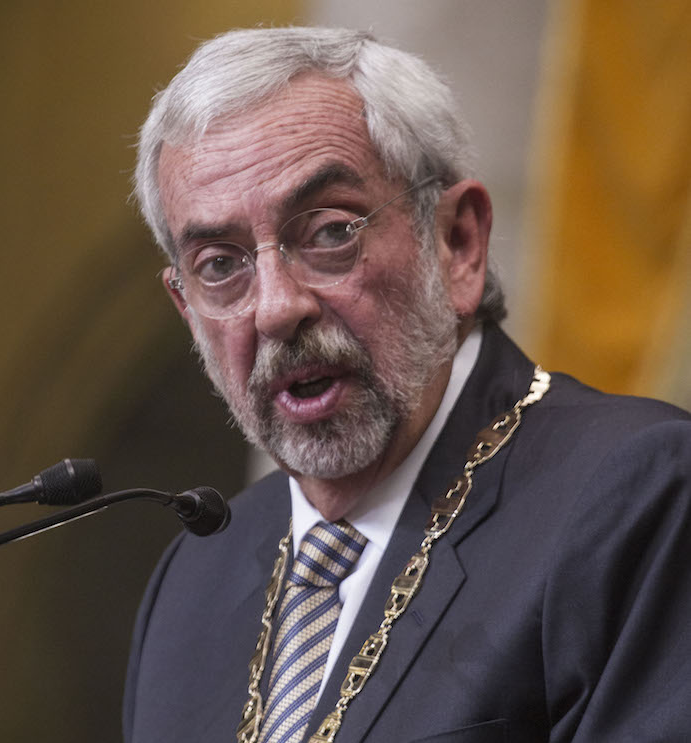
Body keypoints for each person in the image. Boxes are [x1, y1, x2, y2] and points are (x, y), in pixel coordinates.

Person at [123, 27, 691, 743]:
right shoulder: (193, 583)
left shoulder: (638, 494)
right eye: (219, 264)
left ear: (457, 242)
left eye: (329, 231)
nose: (274, 307)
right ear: (187, 307)